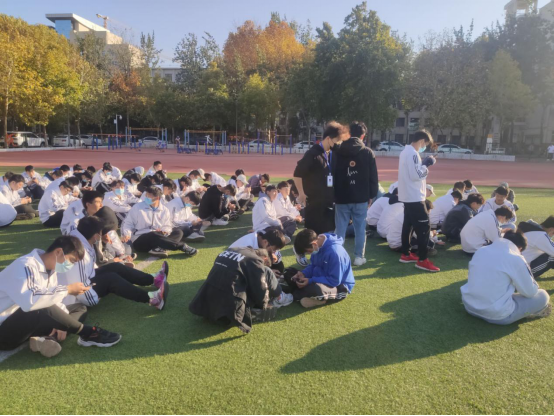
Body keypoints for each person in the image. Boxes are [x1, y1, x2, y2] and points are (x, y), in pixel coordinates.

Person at [0, 236, 122, 357]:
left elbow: (53, 301)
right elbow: (31, 301)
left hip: (24, 323)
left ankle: (49, 338)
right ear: (58, 252)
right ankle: (88, 333)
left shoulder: (51, 270)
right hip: (4, 333)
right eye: (71, 260)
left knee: (79, 308)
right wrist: (68, 289)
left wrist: (61, 323)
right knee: (40, 305)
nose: (71, 265)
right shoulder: (25, 266)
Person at [59, 217, 169, 311]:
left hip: (85, 280)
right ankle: (153, 299)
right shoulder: (78, 252)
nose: (103, 235)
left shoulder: (79, 238)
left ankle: (154, 280)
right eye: (101, 232)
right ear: (96, 235)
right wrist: (94, 297)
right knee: (111, 279)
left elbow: (88, 270)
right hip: (74, 297)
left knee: (114, 267)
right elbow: (80, 286)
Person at [189, 248, 293, 334]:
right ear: (264, 258)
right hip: (229, 315)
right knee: (267, 271)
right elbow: (260, 289)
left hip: (204, 306)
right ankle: (280, 297)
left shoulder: (230, 250)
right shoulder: (255, 260)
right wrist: (264, 304)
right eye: (265, 263)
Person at [461, 231, 551, 326]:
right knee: (543, 295)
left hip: (469, 307)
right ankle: (528, 312)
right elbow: (530, 292)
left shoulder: (481, 250)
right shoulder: (516, 258)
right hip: (497, 315)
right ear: (520, 248)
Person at [332, 121, 379, 267]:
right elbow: (373, 177)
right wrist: (371, 195)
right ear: (363, 136)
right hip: (361, 197)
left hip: (341, 197)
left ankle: (337, 256)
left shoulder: (337, 151)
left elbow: (332, 173)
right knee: (360, 229)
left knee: (340, 229)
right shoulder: (367, 152)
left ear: (348, 134)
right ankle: (359, 257)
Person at [293, 122, 348, 235]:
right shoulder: (312, 154)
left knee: (328, 235)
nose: (338, 144)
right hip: (314, 203)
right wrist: (301, 193)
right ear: (328, 139)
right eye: (337, 141)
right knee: (314, 236)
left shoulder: (332, 154)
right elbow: (297, 174)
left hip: (328, 202)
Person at [397, 130, 440, 272]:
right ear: (421, 141)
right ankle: (422, 260)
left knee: (408, 225)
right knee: (424, 228)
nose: (424, 147)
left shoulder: (405, 152)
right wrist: (427, 164)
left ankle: (406, 253)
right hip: (414, 196)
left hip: (408, 195)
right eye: (425, 144)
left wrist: (423, 163)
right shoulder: (413, 154)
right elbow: (416, 175)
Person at [121, 186, 197, 258]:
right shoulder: (137, 207)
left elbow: (167, 226)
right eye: (146, 195)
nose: (146, 197)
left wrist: (165, 231)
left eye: (148, 196)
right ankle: (181, 246)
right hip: (140, 239)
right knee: (153, 234)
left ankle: (157, 248)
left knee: (178, 232)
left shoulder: (164, 210)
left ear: (157, 198)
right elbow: (128, 223)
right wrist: (127, 234)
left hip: (158, 236)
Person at [286, 229, 355, 308]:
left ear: (314, 244)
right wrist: (303, 273)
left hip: (338, 286)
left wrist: (310, 280)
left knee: (316, 288)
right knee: (289, 272)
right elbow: (313, 265)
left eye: (308, 251)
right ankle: (301, 294)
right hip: (320, 278)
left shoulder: (335, 253)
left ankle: (300, 294)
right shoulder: (317, 245)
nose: (309, 253)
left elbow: (335, 280)